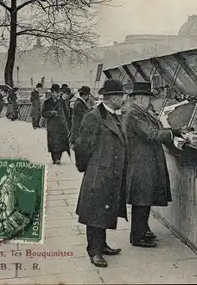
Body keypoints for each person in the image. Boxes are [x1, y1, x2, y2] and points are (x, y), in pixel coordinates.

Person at [73, 79, 128, 268]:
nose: (124, 99)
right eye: (121, 96)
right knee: (95, 212)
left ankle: (102, 245)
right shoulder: (93, 116)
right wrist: (89, 167)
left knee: (103, 211)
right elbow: (81, 145)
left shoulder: (113, 115)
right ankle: (94, 251)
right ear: (113, 98)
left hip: (109, 173)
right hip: (99, 172)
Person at [122, 82, 184, 248]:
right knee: (141, 199)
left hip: (145, 161)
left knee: (145, 198)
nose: (150, 101)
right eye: (148, 98)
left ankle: (144, 230)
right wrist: (172, 133)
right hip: (141, 162)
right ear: (141, 98)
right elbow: (150, 133)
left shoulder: (139, 112)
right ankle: (137, 236)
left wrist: (170, 130)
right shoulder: (133, 114)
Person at [41, 84, 71, 164]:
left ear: (58, 93)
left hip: (61, 125)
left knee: (60, 142)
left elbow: (67, 113)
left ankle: (58, 158)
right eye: (52, 92)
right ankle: (55, 158)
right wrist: (50, 113)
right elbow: (43, 113)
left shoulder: (62, 102)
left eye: (54, 92)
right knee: (53, 142)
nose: (53, 94)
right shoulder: (47, 102)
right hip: (52, 125)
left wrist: (69, 124)